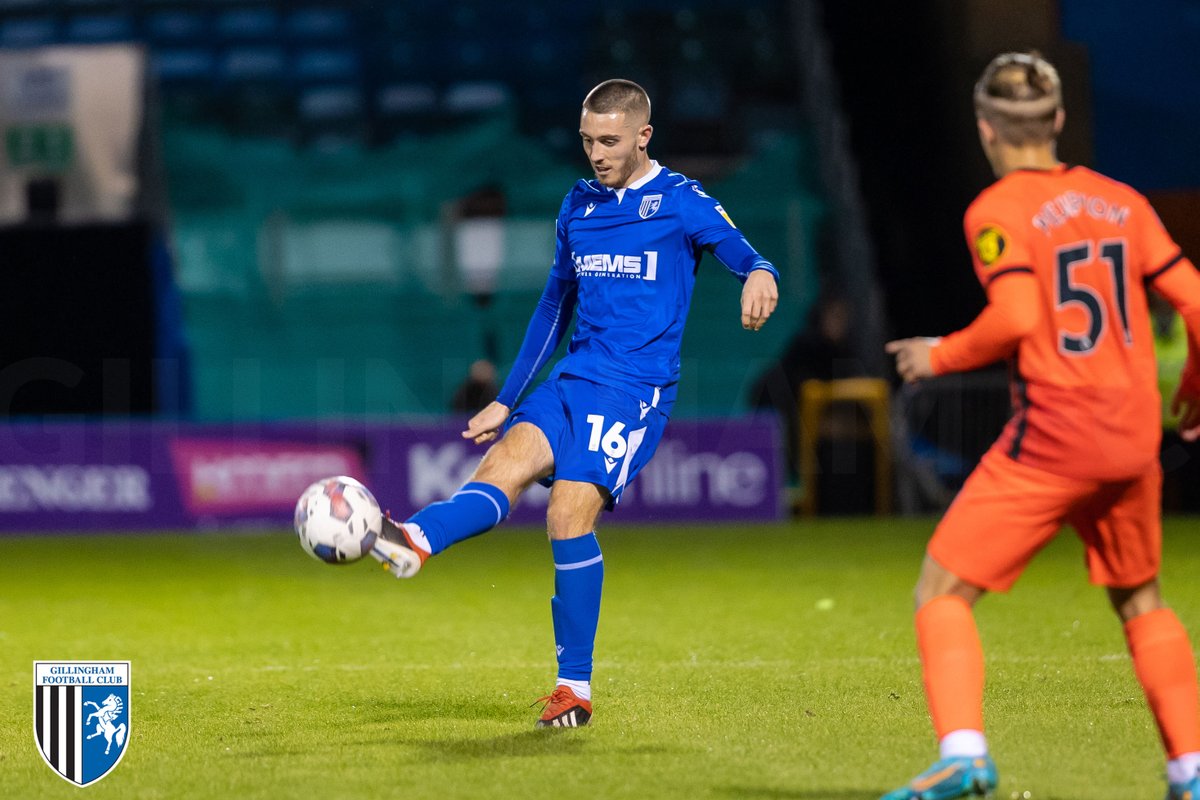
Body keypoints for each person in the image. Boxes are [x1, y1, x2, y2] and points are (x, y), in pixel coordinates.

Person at [367, 79, 780, 727]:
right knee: (502, 466)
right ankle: (416, 540)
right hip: (572, 378)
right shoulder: (578, 205)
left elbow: (747, 256)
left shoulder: (682, 201)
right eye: (588, 140)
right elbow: (554, 305)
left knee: (566, 515)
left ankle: (574, 688)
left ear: (644, 136)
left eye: (610, 141)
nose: (597, 153)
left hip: (633, 391)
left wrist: (759, 275)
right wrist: (507, 399)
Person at [882, 52, 1200, 800]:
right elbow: (1195, 300)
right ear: (1057, 120)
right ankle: (1190, 770)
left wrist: (938, 356)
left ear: (986, 128)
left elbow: (1019, 315)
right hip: (1132, 435)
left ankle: (964, 755)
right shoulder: (1123, 202)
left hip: (1058, 434)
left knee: (941, 590)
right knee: (1141, 599)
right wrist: (1192, 389)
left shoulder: (996, 210)